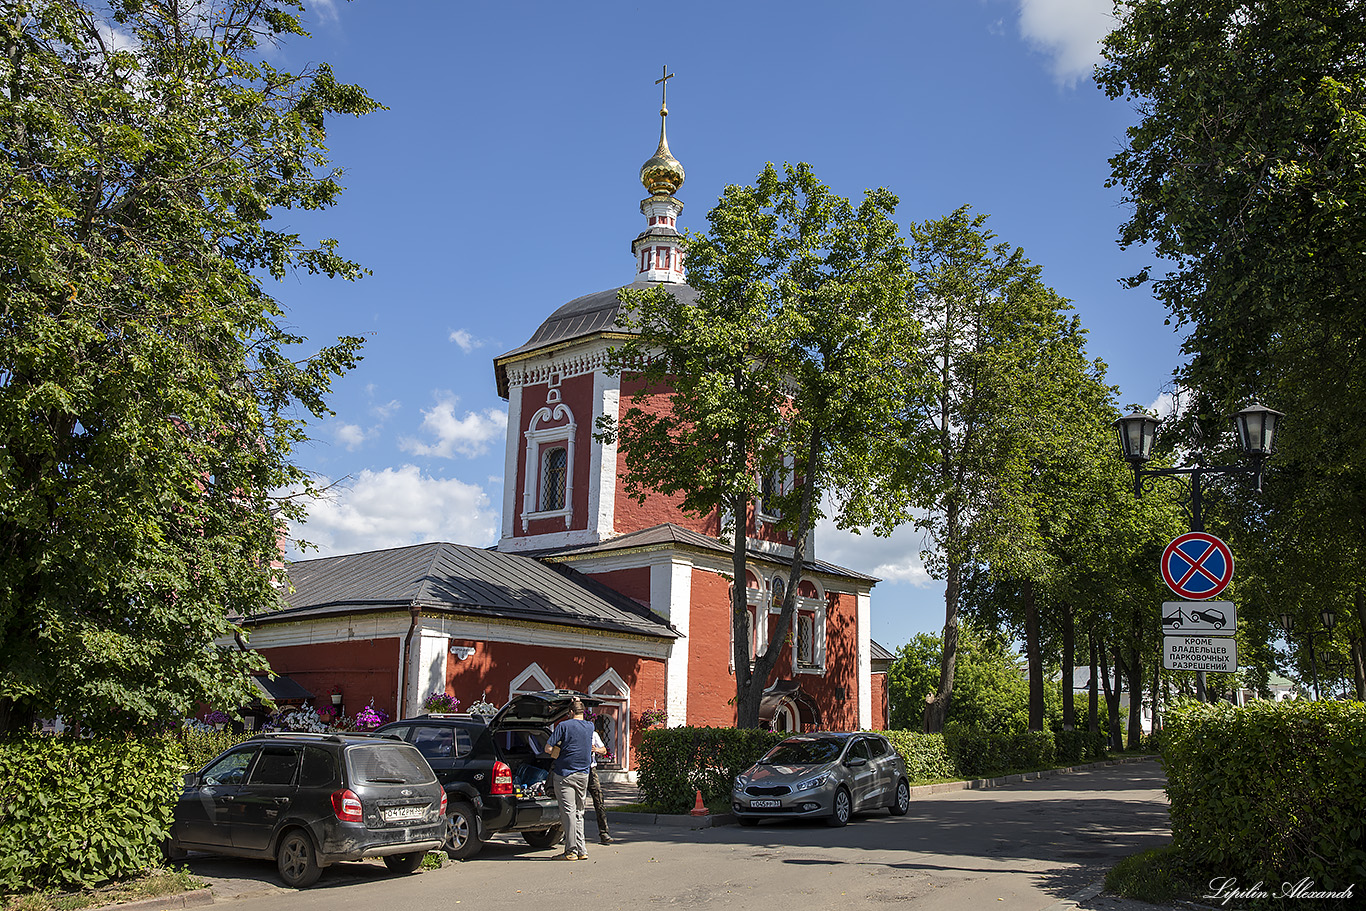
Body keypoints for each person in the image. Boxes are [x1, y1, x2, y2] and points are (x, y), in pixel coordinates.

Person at [545, 697, 595, 860]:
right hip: (583, 774)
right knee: (579, 812)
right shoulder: (590, 726)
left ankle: (571, 850)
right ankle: (582, 850)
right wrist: (577, 701)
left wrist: (556, 752)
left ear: (570, 712)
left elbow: (548, 748)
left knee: (568, 812)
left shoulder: (564, 726)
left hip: (564, 774)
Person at [588, 729, 614, 845]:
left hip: (590, 770)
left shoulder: (593, 734)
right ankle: (567, 834)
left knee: (599, 800)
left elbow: (604, 750)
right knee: (573, 803)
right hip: (576, 771)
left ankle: (604, 832)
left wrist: (596, 749)